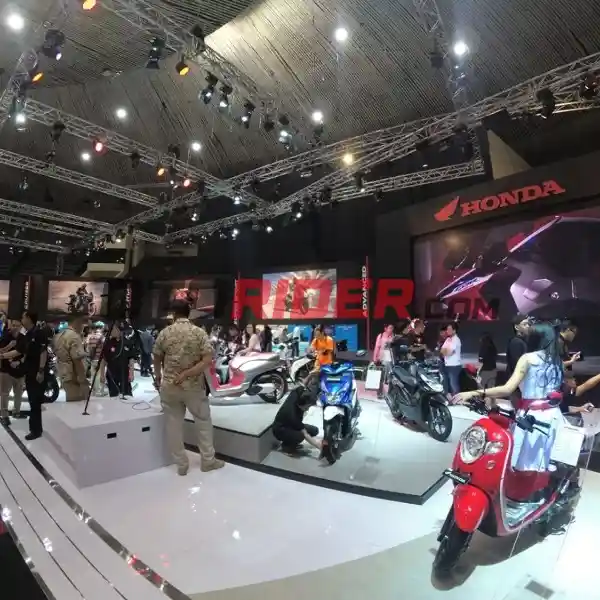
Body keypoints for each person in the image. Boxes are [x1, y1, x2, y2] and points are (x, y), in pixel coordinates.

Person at [454, 322, 563, 476]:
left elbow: (507, 389)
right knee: (542, 465)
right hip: (553, 416)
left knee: (523, 467)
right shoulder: (557, 361)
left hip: (531, 419)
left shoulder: (528, 359)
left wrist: (474, 393)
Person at [153, 300, 224, 475]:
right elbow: (207, 360)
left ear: (173, 314)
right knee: (203, 421)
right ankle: (208, 460)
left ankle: (181, 464)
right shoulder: (199, 333)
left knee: (173, 424)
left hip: (170, 386)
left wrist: (158, 376)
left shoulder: (165, 333)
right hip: (194, 387)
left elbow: (156, 356)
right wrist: (187, 373)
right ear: (189, 313)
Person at [21, 311, 48, 440]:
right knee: (32, 401)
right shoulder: (27, 334)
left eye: (23, 317)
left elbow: (43, 352)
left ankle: (36, 430)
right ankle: (35, 428)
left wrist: (41, 371)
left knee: (35, 402)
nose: (21, 319)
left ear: (29, 318)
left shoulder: (39, 333)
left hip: (37, 372)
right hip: (29, 372)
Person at [272, 383, 321, 455]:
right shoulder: (292, 414)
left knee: (314, 430)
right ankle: (286, 447)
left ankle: (292, 441)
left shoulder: (298, 394)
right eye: (307, 407)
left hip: (289, 425)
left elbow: (301, 387)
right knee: (300, 436)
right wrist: (318, 446)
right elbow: (305, 434)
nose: (307, 409)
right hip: (280, 430)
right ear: (300, 405)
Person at [53, 313, 88, 402]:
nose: (83, 326)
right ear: (77, 322)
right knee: (79, 404)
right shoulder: (74, 336)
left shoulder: (60, 335)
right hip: (74, 377)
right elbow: (77, 359)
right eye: (82, 323)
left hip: (64, 374)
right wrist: (82, 379)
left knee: (71, 402)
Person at [0, 320, 27, 425]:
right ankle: (4, 416)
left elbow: (27, 354)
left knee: (19, 393)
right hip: (6, 370)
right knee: (4, 393)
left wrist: (19, 362)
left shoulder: (24, 338)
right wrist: (9, 346)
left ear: (21, 326)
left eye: (17, 325)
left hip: (19, 371)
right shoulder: (5, 337)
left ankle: (17, 412)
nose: (15, 327)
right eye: (13, 325)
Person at [100, 324, 134, 398]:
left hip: (124, 374)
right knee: (114, 396)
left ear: (119, 330)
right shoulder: (107, 343)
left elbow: (131, 359)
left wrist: (131, 373)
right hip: (111, 374)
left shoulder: (127, 342)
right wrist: (102, 374)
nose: (111, 331)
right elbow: (103, 360)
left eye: (113, 329)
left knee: (127, 396)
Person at [440, 322, 462, 397]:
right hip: (447, 365)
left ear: (454, 330)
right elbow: (442, 351)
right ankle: (450, 399)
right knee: (447, 384)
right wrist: (446, 352)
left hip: (454, 366)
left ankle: (457, 400)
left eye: (449, 329)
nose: (447, 331)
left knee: (454, 385)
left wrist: (446, 352)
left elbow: (448, 353)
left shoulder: (456, 340)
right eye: (447, 329)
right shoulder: (448, 339)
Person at [86, 321, 105, 393]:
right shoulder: (101, 336)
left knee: (93, 374)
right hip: (99, 358)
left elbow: (87, 347)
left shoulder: (90, 336)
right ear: (101, 328)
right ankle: (98, 390)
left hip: (92, 358)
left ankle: (93, 390)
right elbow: (104, 347)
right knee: (99, 374)